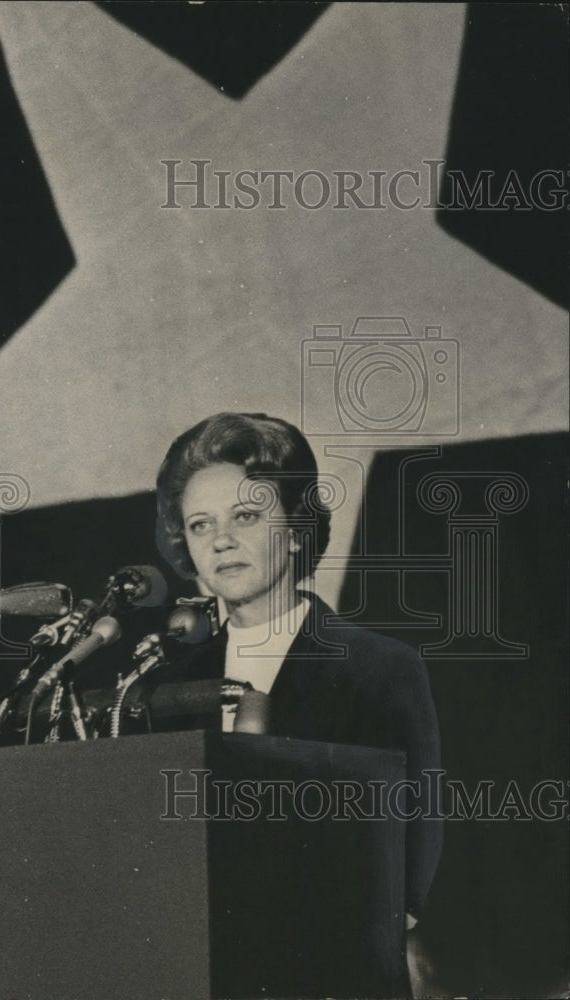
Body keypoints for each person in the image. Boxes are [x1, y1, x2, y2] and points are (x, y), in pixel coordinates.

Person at [151, 411, 443, 993]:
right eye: (200, 525)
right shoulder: (171, 682)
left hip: (332, 966)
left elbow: (417, 832)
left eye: (246, 516)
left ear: (296, 525)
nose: (222, 540)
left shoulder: (376, 667)